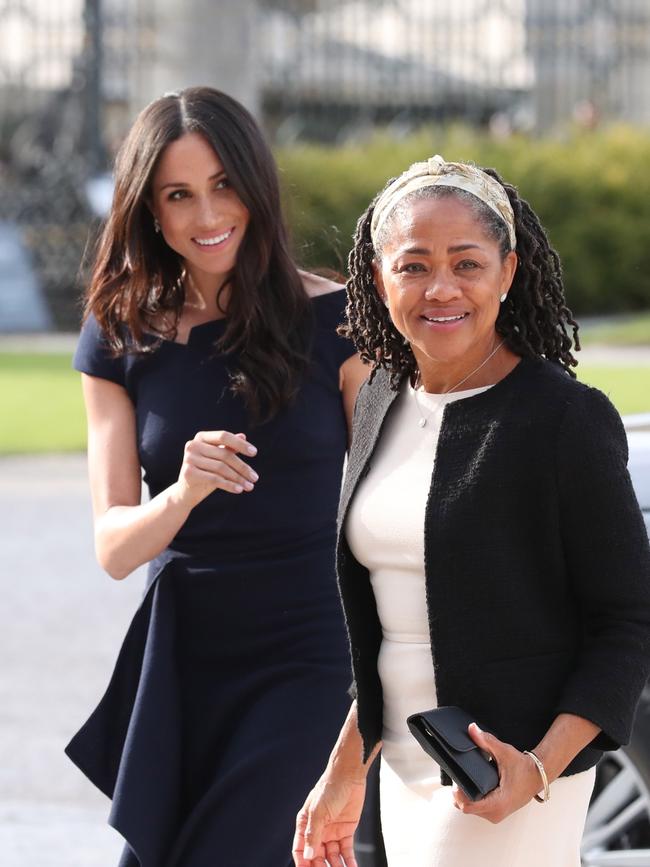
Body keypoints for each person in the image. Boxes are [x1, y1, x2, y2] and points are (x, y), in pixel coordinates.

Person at [293, 155, 650, 867]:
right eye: (414, 265)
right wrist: (345, 766)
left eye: (467, 263)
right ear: (377, 278)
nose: (442, 288)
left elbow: (629, 621)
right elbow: (395, 625)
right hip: (404, 763)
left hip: (509, 772)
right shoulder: (379, 401)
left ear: (508, 272)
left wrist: (539, 768)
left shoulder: (563, 419)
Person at [65, 86, 368, 867]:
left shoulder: (340, 323)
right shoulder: (120, 336)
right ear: (150, 211)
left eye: (223, 184)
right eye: (179, 195)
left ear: (256, 186)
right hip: (184, 660)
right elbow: (115, 548)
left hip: (310, 657)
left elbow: (394, 506)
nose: (207, 215)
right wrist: (182, 490)